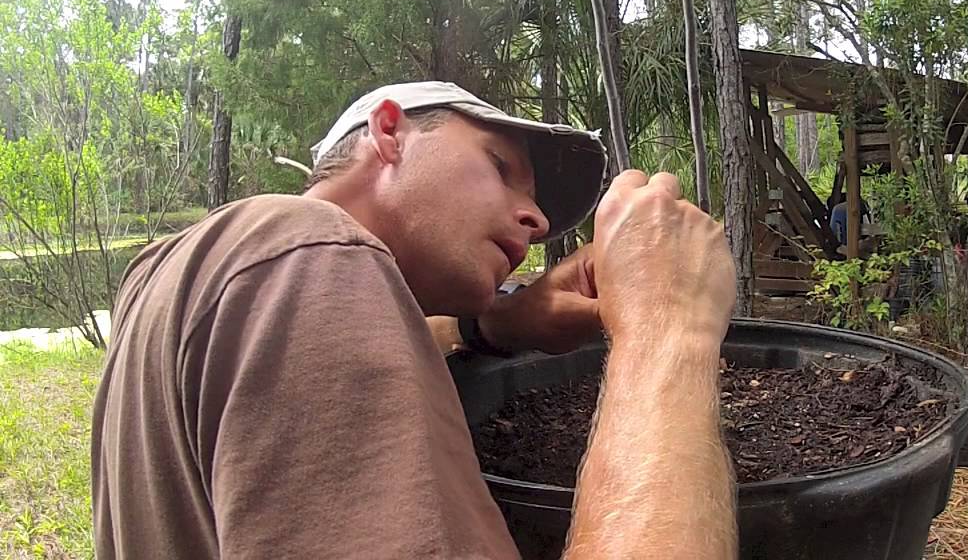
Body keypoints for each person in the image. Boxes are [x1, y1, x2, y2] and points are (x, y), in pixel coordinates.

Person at [91, 82, 738, 559]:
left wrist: (497, 326)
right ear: (390, 131)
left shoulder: (182, 271)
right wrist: (668, 325)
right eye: (502, 168)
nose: (537, 219)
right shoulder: (312, 251)